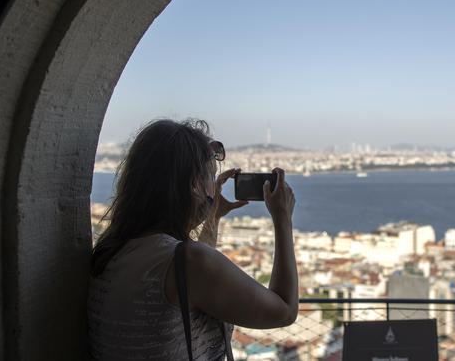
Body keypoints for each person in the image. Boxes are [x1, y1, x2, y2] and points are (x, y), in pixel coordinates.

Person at [87, 119, 298, 360]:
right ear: (194, 184)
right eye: (210, 175)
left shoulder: (110, 252)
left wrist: (213, 215)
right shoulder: (190, 261)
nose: (212, 184)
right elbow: (284, 311)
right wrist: (283, 219)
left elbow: (189, 279)